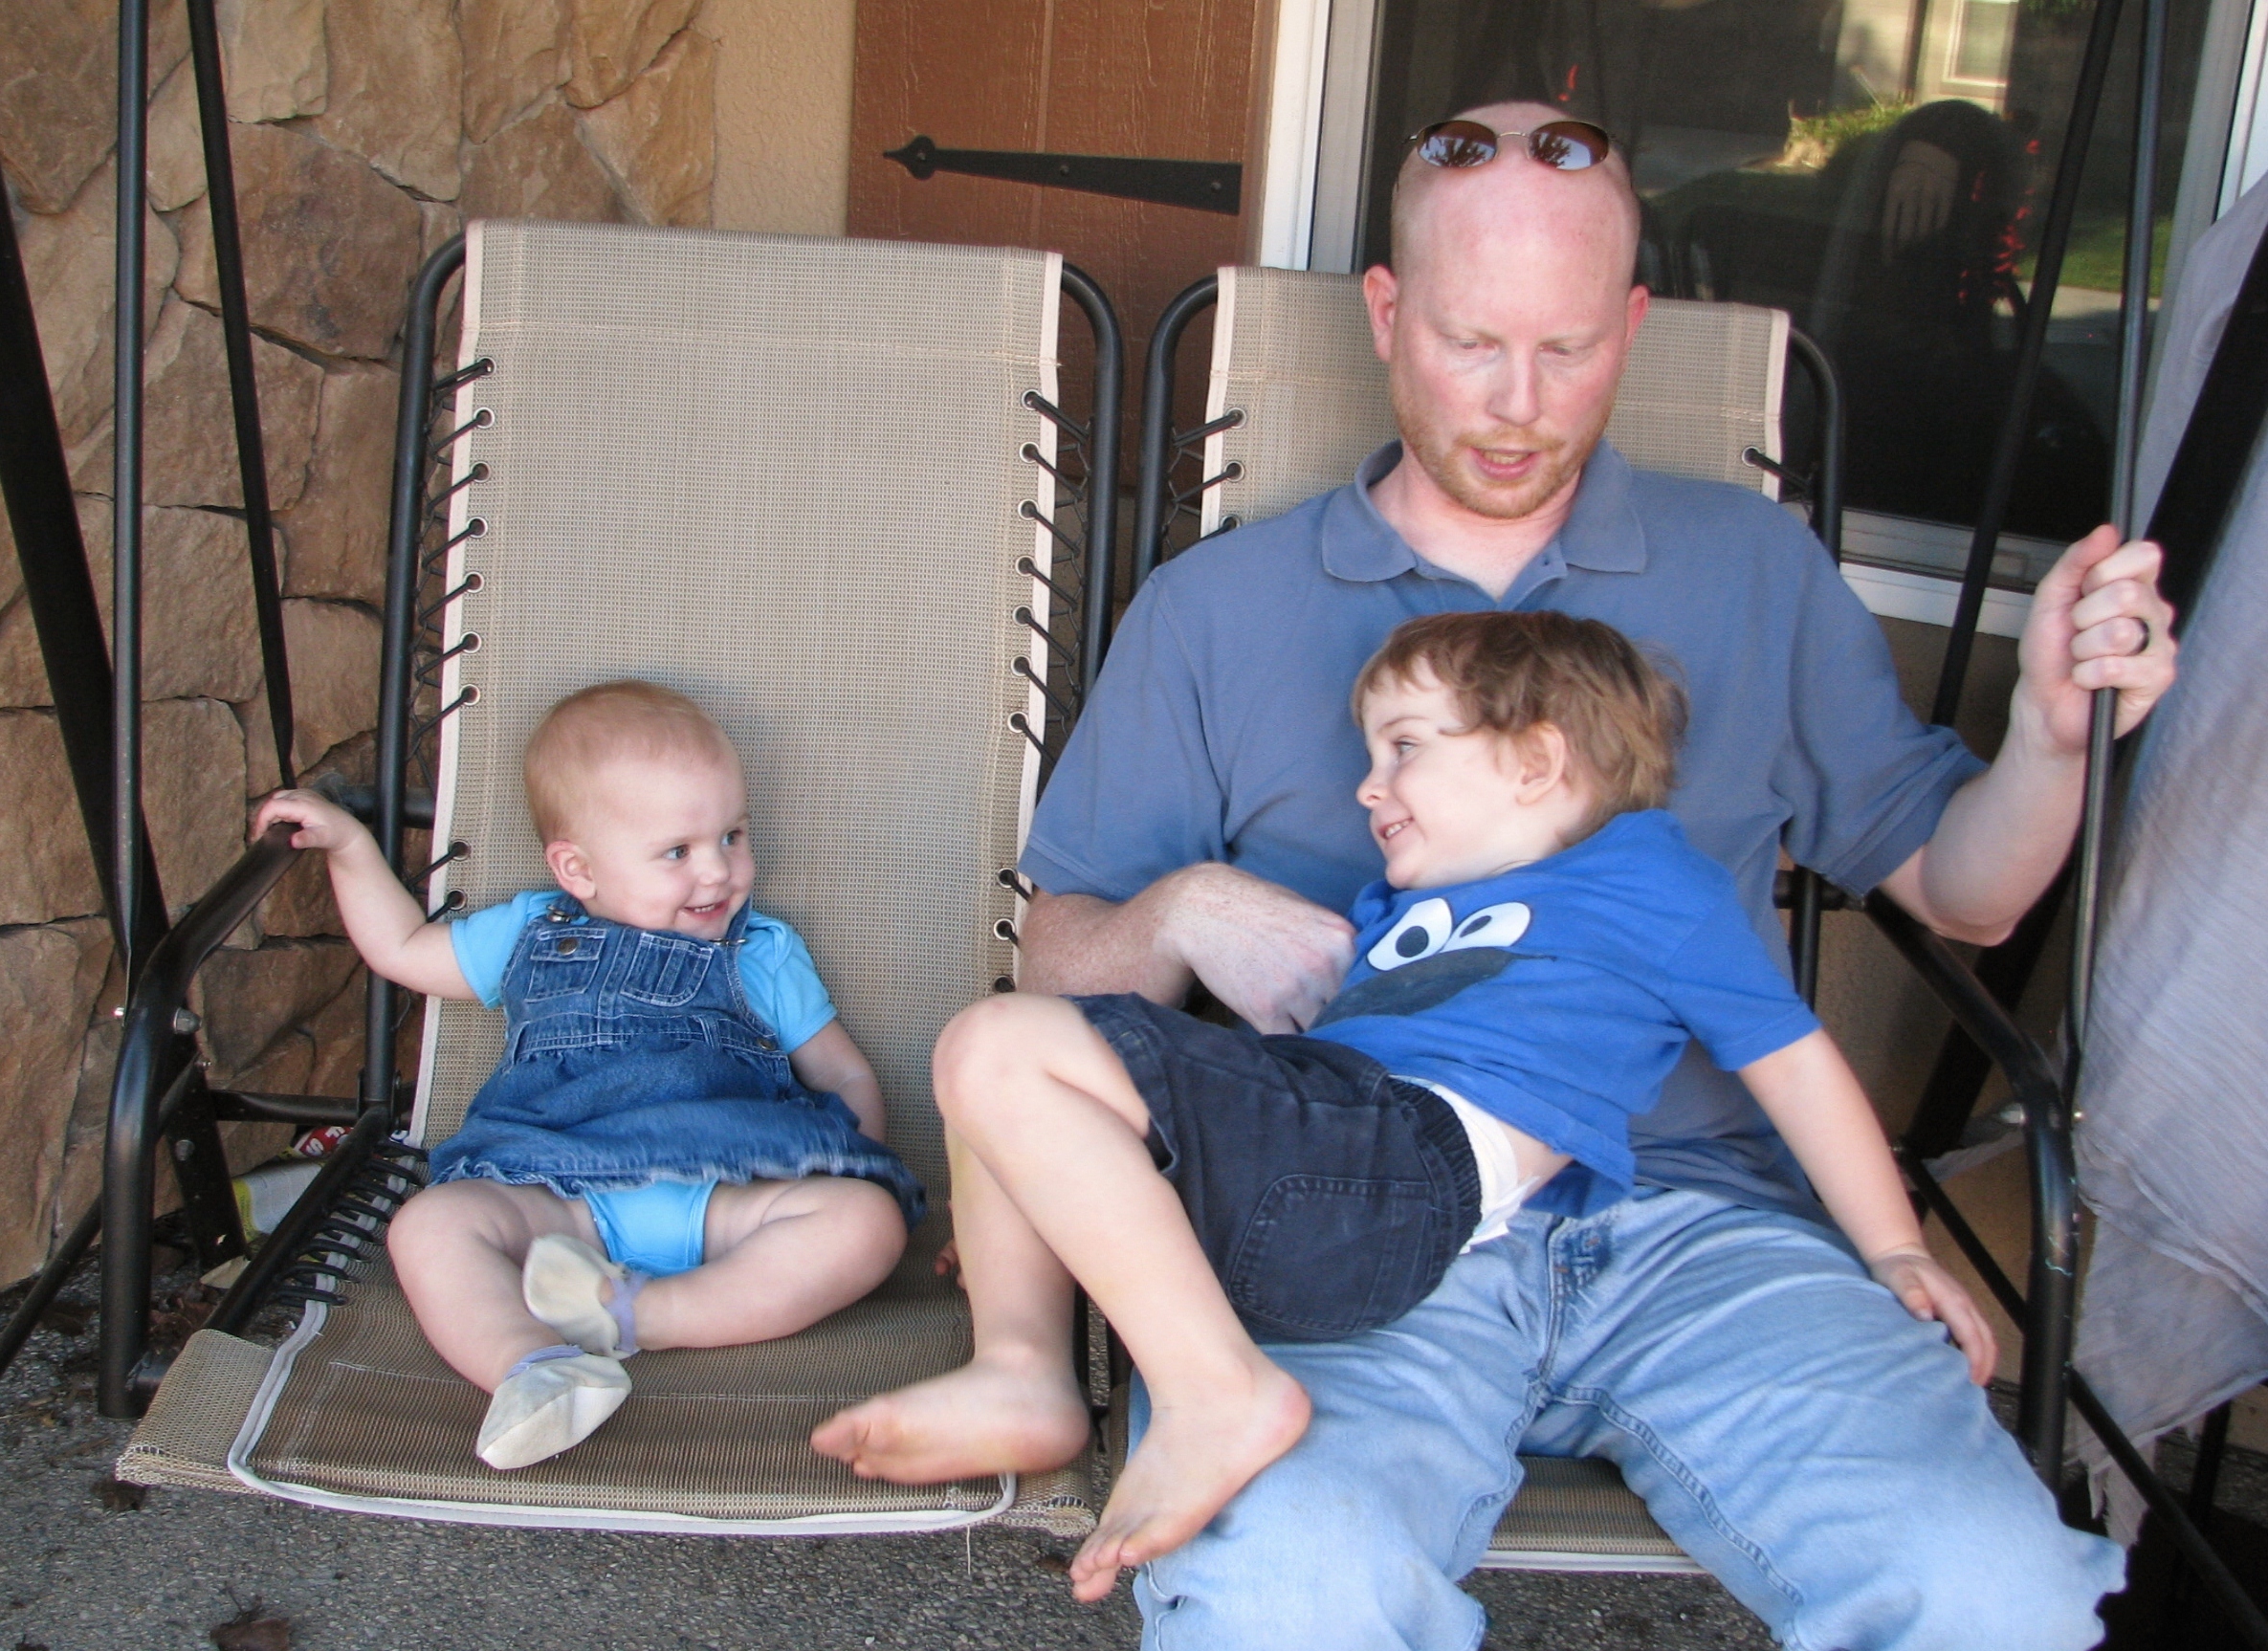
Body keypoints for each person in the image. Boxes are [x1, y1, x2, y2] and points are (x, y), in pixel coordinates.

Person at [847, 100, 2169, 1648]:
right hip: (1358, 1227)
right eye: (1471, 344)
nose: (1519, 404)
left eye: (1568, 348)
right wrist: (1186, 907)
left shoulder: (1751, 567)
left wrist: (2057, 739)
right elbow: (1057, 968)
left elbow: (1968, 893)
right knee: (1285, 1598)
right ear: (1386, 314)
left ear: (1634, 325)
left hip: (1705, 1231)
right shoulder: (1220, 604)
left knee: (1994, 1591)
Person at [816, 609, 1998, 1604]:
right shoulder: (1398, 911)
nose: (1367, 786)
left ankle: (1197, 1391)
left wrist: (1893, 1244)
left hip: (1410, 1165)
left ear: (1534, 762)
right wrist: (1041, 1189)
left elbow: (1793, 1062)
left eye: (1404, 747)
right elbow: (1257, 1112)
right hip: (1340, 1191)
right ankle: (1028, 1365)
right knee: (1006, 1066)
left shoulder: (1650, 880)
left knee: (1003, 1044)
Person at [252, 680, 924, 1471]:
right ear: (577, 869)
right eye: (677, 852)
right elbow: (403, 950)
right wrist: (349, 849)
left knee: (865, 1225)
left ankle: (641, 1314)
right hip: (555, 1196)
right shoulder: (529, 932)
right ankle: (532, 1369)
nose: (718, 872)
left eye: (732, 835)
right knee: (428, 1226)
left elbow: (840, 1070)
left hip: (727, 1198)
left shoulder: (762, 951)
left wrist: (852, 1159)